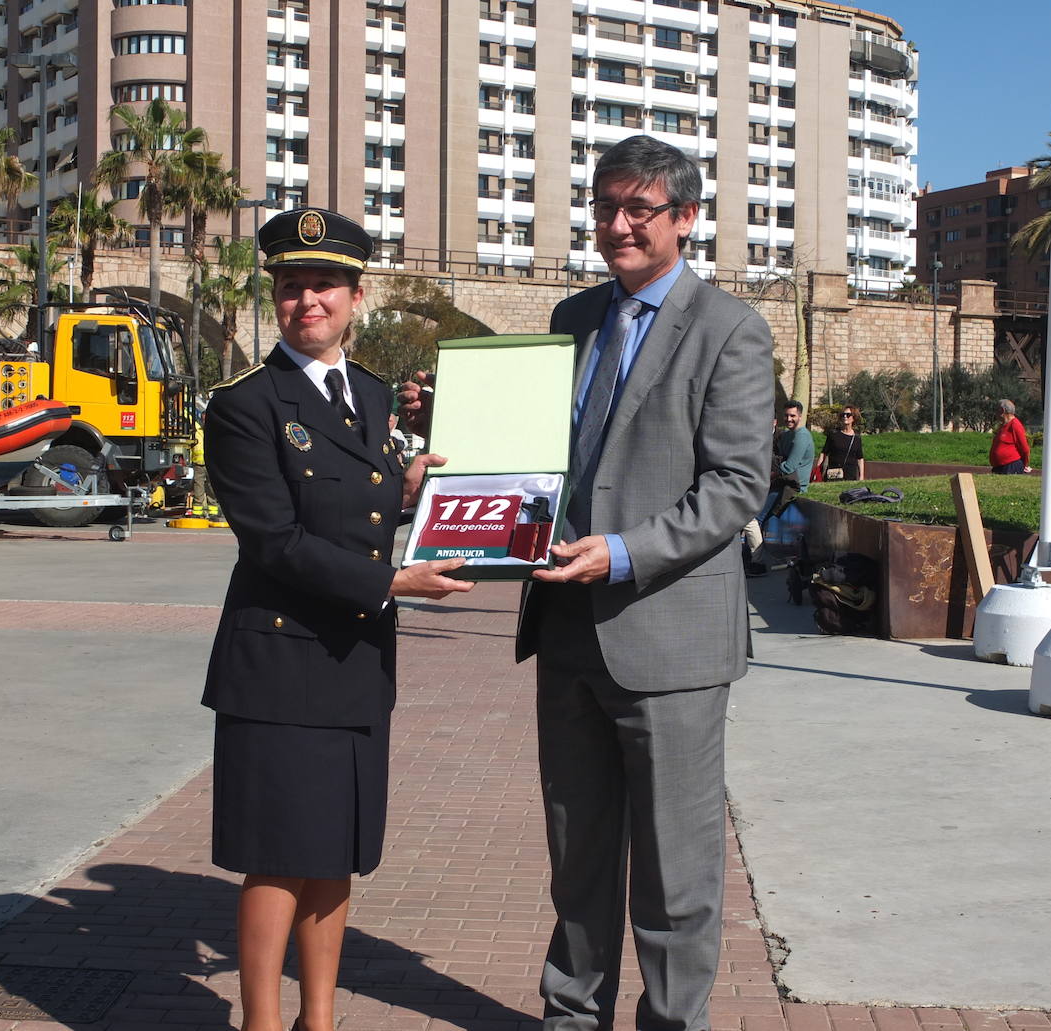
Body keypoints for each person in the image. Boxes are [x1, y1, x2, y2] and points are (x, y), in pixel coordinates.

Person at [406, 134, 773, 1030]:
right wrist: (451, 452)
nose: (616, 225)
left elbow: (735, 488)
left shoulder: (730, 329)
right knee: (577, 858)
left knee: (676, 870)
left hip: (670, 638)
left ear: (684, 219)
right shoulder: (572, 320)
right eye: (605, 206)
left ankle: (672, 1021)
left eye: (638, 209)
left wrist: (623, 551)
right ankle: (572, 1015)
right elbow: (533, 456)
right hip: (568, 631)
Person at [202, 207, 472, 1031]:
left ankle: (318, 1018)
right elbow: (276, 542)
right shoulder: (245, 404)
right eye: (290, 286)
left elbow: (352, 510)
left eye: (323, 284)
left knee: (336, 853)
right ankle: (262, 1022)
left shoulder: (372, 394)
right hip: (280, 662)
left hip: (354, 656)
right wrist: (392, 579)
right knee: (278, 857)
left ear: (358, 295)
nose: (305, 301)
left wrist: (409, 490)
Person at [759, 399, 814, 524]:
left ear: (800, 416)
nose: (789, 419)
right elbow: (778, 457)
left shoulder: (802, 436)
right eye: (786, 415)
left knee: (756, 519)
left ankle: (756, 545)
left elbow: (789, 467)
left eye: (792, 416)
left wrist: (769, 476)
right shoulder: (787, 434)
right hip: (780, 481)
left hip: (792, 485)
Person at [815, 404, 866, 482]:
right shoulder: (833, 434)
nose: (845, 416)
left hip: (850, 477)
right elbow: (824, 453)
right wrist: (817, 470)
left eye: (848, 415)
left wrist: (861, 476)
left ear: (853, 418)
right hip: (833, 475)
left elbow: (859, 458)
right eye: (843, 414)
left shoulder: (856, 438)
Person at [990, 398, 1033, 474]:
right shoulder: (1003, 425)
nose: (995, 413)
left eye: (996, 410)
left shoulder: (1015, 425)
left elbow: (1025, 449)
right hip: (999, 467)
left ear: (1002, 410)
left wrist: (1024, 465)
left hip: (1010, 466)